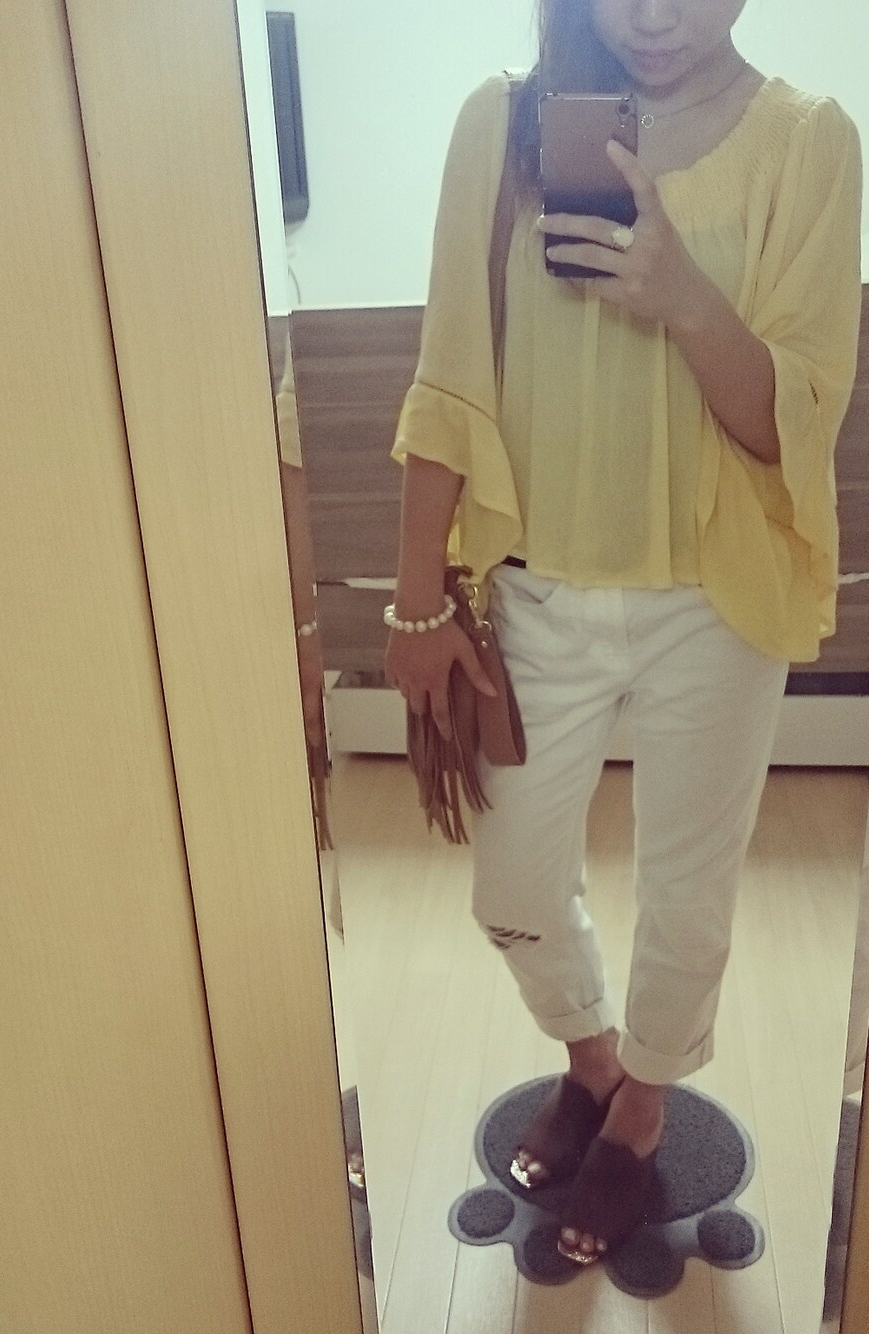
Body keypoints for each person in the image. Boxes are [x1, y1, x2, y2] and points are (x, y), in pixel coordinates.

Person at [385, 0, 862, 1266]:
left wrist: (686, 296)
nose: (651, 15)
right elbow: (448, 373)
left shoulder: (808, 142)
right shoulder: (501, 125)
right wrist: (415, 598)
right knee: (511, 884)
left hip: (718, 596)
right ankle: (590, 1056)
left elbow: (791, 424)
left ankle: (641, 1106)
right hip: (533, 585)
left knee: (689, 887)